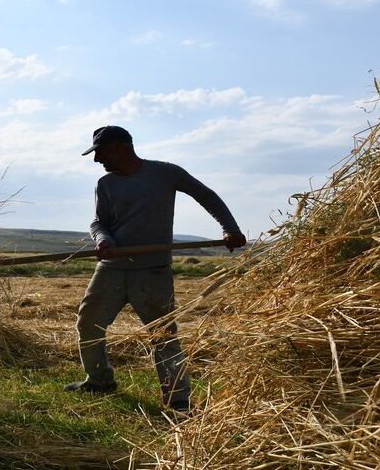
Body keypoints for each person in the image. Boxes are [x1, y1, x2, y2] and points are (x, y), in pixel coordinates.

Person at [65, 125, 246, 413]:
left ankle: (177, 399)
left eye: (99, 152)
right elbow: (98, 222)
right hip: (111, 269)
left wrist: (230, 228)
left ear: (120, 147)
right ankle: (99, 380)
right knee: (89, 323)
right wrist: (103, 238)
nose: (97, 160)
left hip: (152, 271)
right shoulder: (105, 184)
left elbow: (206, 195)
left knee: (162, 334)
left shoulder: (165, 174)